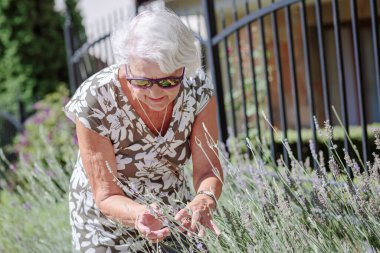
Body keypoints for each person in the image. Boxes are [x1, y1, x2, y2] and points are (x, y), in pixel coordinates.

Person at [63, 8, 223, 253]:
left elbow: (207, 168)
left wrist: (204, 200)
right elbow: (105, 195)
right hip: (105, 225)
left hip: (172, 212)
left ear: (184, 69)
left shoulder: (198, 90)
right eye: (142, 81)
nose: (156, 92)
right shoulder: (95, 99)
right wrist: (140, 215)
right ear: (126, 67)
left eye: (169, 81)